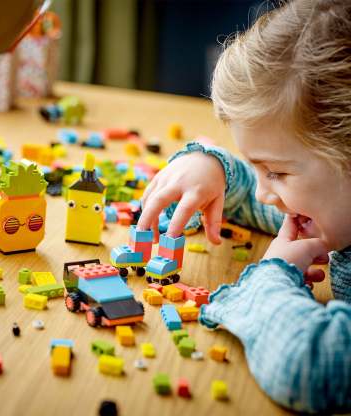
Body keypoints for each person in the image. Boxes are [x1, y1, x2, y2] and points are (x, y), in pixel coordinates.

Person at [137, 0, 351, 412]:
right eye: (258, 169)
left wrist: (271, 276)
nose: (263, 193)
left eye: (277, 172)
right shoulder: (333, 206)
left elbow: (307, 366)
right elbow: (265, 204)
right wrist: (214, 169)